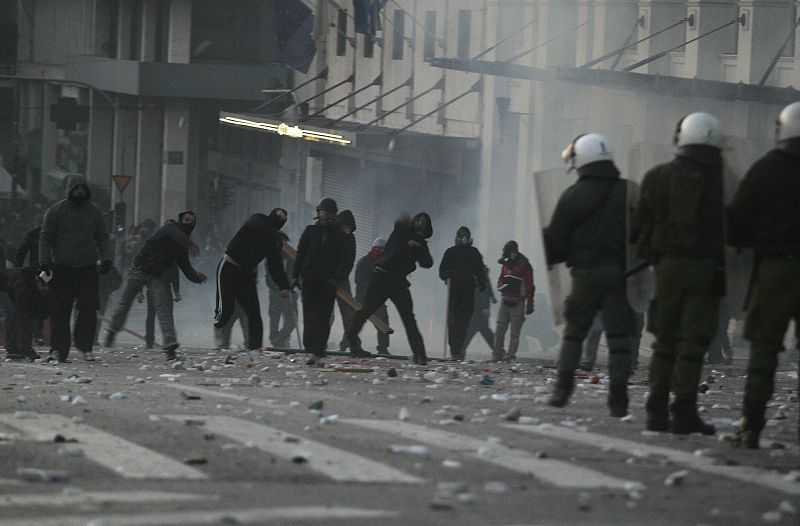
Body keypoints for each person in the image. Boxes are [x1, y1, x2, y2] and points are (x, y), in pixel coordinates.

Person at [633, 113, 726, 434]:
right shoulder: (722, 179)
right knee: (694, 340)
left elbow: (639, 226)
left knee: (665, 339)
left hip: (668, 267)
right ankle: (683, 408)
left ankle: (656, 406)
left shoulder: (657, 176)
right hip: (705, 267)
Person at [544, 133, 633, 417]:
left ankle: (563, 389)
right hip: (620, 273)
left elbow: (556, 242)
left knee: (574, 335)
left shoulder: (572, 195)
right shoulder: (629, 191)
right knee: (619, 338)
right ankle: (619, 398)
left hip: (584, 274)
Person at [727, 102, 800, 448]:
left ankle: (751, 425)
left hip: (775, 268)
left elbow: (739, 220)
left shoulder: (766, 168)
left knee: (764, 350)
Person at [103, 211, 206, 360]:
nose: (188, 223)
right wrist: (191, 245)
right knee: (124, 304)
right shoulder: (170, 228)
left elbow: (186, 267)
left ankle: (170, 345)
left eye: (192, 222)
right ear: (179, 220)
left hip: (158, 275)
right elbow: (177, 235)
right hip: (139, 268)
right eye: (186, 219)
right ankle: (112, 332)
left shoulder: (182, 247)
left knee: (164, 310)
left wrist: (197, 277)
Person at [39, 175, 112, 363]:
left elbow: (102, 237)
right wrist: (44, 262)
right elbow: (45, 237)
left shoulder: (94, 212)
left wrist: (106, 258)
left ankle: (85, 346)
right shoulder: (56, 211)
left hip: (87, 268)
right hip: (62, 268)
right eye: (76, 188)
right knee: (60, 311)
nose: (80, 191)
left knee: (89, 307)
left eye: (82, 188)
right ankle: (58, 350)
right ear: (69, 190)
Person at [346, 212, 433, 365]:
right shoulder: (402, 231)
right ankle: (352, 341)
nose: (420, 222)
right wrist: (404, 224)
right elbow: (399, 224)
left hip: (398, 282)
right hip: (382, 277)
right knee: (367, 310)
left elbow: (427, 263)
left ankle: (420, 355)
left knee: (409, 318)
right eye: (418, 219)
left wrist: (418, 246)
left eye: (423, 221)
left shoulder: (420, 243)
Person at [214, 209, 291, 352]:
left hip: (246, 273)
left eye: (283, 219)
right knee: (227, 307)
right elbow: (257, 226)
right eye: (278, 216)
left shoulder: (273, 241)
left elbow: (276, 266)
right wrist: (276, 238)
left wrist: (283, 285)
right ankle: (219, 329)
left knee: (253, 312)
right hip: (229, 267)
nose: (280, 219)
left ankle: (255, 347)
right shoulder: (258, 220)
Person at [293, 198, 353, 365]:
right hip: (310, 281)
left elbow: (346, 261)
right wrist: (294, 276)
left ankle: (319, 349)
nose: (326, 217)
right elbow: (300, 255)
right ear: (318, 213)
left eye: (329, 214)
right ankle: (310, 350)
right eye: (324, 213)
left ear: (334, 215)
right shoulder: (310, 232)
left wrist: (336, 277)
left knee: (324, 318)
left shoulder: (339, 236)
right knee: (310, 317)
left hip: (328, 283)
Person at [439, 226, 488, 361]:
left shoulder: (474, 253)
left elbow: (480, 270)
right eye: (460, 235)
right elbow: (442, 270)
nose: (462, 237)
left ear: (469, 237)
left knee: (464, 323)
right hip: (454, 292)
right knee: (453, 322)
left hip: (468, 293)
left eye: (464, 235)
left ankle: (459, 350)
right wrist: (445, 275)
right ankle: (454, 350)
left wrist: (482, 283)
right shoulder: (450, 252)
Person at [492, 240, 534, 363]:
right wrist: (500, 286)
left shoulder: (524, 264)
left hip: (518, 301)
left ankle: (509, 356)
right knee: (500, 329)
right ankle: (497, 354)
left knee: (514, 332)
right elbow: (501, 279)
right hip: (505, 299)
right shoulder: (506, 264)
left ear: (513, 252)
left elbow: (529, 285)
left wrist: (530, 304)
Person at [354, 237, 390, 355]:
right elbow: (359, 281)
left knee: (383, 322)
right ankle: (346, 344)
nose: (380, 251)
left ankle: (383, 348)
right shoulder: (364, 262)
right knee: (355, 321)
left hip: (377, 300)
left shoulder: (385, 263)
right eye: (377, 249)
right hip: (362, 299)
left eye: (382, 249)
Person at [0, 267, 45, 360]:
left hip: (10, 286)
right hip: (4, 287)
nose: (46, 289)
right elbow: (23, 313)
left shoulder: (34, 285)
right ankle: (12, 348)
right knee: (13, 313)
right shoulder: (23, 284)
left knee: (19, 314)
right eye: (43, 286)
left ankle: (19, 347)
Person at [15, 223, 47, 345]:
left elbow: (22, 252)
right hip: (38, 271)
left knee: (43, 301)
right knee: (38, 300)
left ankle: (38, 333)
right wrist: (19, 268)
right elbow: (22, 252)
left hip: (49, 270)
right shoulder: (36, 234)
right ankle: (37, 333)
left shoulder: (38, 234)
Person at [333, 210, 357, 353]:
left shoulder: (350, 239)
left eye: (349, 227)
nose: (346, 229)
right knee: (326, 316)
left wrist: (339, 275)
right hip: (327, 279)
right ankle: (320, 343)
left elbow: (349, 261)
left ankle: (350, 344)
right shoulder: (332, 235)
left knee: (349, 315)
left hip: (342, 280)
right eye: (344, 226)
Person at [267, 232, 296, 348]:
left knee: (291, 321)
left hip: (289, 293)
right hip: (275, 292)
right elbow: (269, 275)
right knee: (274, 319)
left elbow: (295, 273)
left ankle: (280, 340)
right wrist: (277, 288)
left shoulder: (291, 257)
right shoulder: (272, 255)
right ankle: (275, 341)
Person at [142, 263, 180, 350]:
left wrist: (176, 291)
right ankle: (151, 341)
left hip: (163, 288)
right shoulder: (167, 257)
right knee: (154, 315)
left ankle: (168, 341)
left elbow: (175, 275)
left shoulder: (170, 259)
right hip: (154, 289)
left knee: (165, 316)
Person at [461, 267, 496, 359]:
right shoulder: (476, 273)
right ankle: (498, 350)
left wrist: (485, 307)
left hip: (478, 308)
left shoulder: (479, 273)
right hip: (475, 306)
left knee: (473, 330)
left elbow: (484, 291)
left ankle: (461, 350)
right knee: (482, 330)